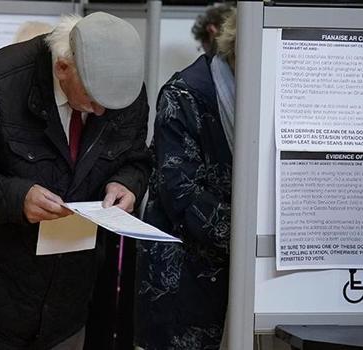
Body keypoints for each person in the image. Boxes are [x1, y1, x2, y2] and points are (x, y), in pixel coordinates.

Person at [0, 12, 150, 350]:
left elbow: (136, 158)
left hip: (68, 307)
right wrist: (17, 198)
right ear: (63, 68)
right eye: (91, 99)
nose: (101, 112)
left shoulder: (119, 90)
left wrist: (128, 183)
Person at [135, 9, 236, 350]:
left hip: (233, 277)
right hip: (184, 279)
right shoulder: (184, 93)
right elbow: (182, 192)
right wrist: (256, 241)